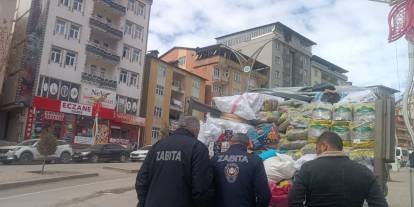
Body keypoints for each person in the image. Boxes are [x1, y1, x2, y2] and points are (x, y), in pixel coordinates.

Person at [288, 131, 388, 207]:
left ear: (324, 147)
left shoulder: (308, 169)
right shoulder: (364, 171)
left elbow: (294, 201)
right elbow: (380, 204)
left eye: (317, 149)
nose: (316, 153)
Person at [135, 116, 213, 207]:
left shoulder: (157, 146)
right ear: (196, 130)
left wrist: (145, 202)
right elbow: (201, 189)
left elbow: (141, 181)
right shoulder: (198, 148)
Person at [211, 133, 271, 207]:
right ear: (249, 144)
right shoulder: (255, 160)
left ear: (230, 142)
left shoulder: (215, 159)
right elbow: (264, 195)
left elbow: (206, 188)